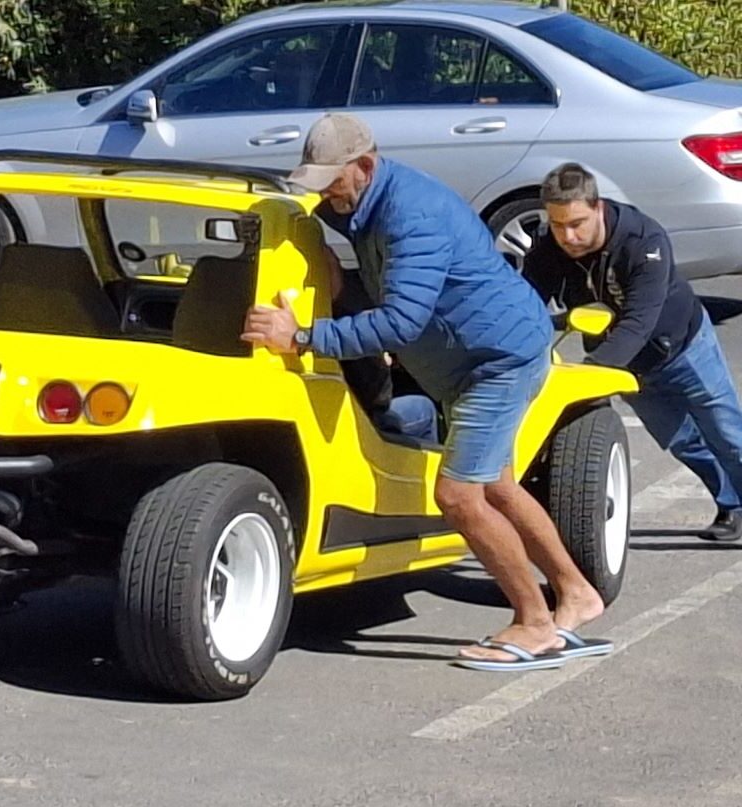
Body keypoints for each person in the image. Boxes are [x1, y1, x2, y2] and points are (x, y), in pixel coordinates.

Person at [241, 113, 609, 671]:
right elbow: (335, 231)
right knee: (499, 487)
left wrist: (301, 337)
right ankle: (577, 593)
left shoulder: (412, 215)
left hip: (498, 360)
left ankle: (536, 624)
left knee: (459, 496)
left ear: (364, 166)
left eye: (332, 181)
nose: (326, 194)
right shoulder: (362, 201)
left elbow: (399, 323)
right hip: (475, 358)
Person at [524, 162, 742, 541]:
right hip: (627, 367)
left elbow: (640, 322)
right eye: (558, 225)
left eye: (577, 223)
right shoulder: (550, 246)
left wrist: (588, 376)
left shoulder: (644, 240)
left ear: (598, 208)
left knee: (727, 433)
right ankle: (732, 504)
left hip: (683, 347)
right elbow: (525, 304)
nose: (568, 236)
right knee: (682, 441)